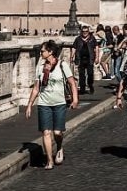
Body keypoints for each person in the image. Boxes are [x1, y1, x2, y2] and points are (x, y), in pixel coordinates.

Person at [25, 40, 79, 170]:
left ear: (50, 52)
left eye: (42, 51)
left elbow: (72, 83)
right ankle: (49, 160)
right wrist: (29, 105)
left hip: (59, 103)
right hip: (44, 103)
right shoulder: (40, 67)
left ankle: (59, 147)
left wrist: (75, 99)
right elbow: (36, 88)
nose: (40, 53)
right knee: (46, 132)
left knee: (57, 132)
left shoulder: (62, 65)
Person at [70, 25, 100, 94]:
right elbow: (74, 48)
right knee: (81, 74)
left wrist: (97, 57)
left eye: (86, 31)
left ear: (88, 32)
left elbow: (96, 48)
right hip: (80, 59)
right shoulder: (78, 39)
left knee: (90, 73)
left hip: (90, 58)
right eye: (83, 31)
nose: (85, 33)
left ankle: (90, 85)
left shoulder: (92, 39)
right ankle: (82, 88)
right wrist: (72, 57)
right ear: (81, 32)